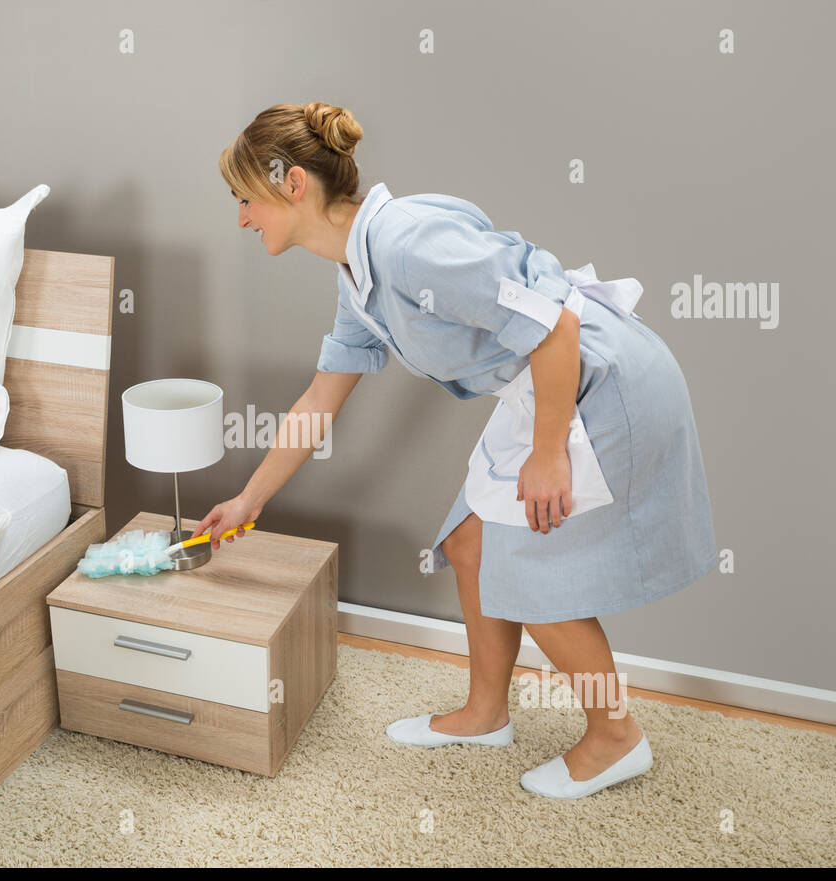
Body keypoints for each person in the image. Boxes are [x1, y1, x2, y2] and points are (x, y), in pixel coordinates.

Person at [195, 101, 717, 799]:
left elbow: (555, 323)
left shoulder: (411, 243)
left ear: (292, 185)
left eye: (243, 198)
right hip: (546, 380)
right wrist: (247, 501)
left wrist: (548, 451)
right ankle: (484, 712)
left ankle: (616, 737)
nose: (240, 219)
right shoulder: (358, 275)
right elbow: (317, 403)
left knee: (529, 566)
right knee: (472, 543)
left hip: (599, 378)